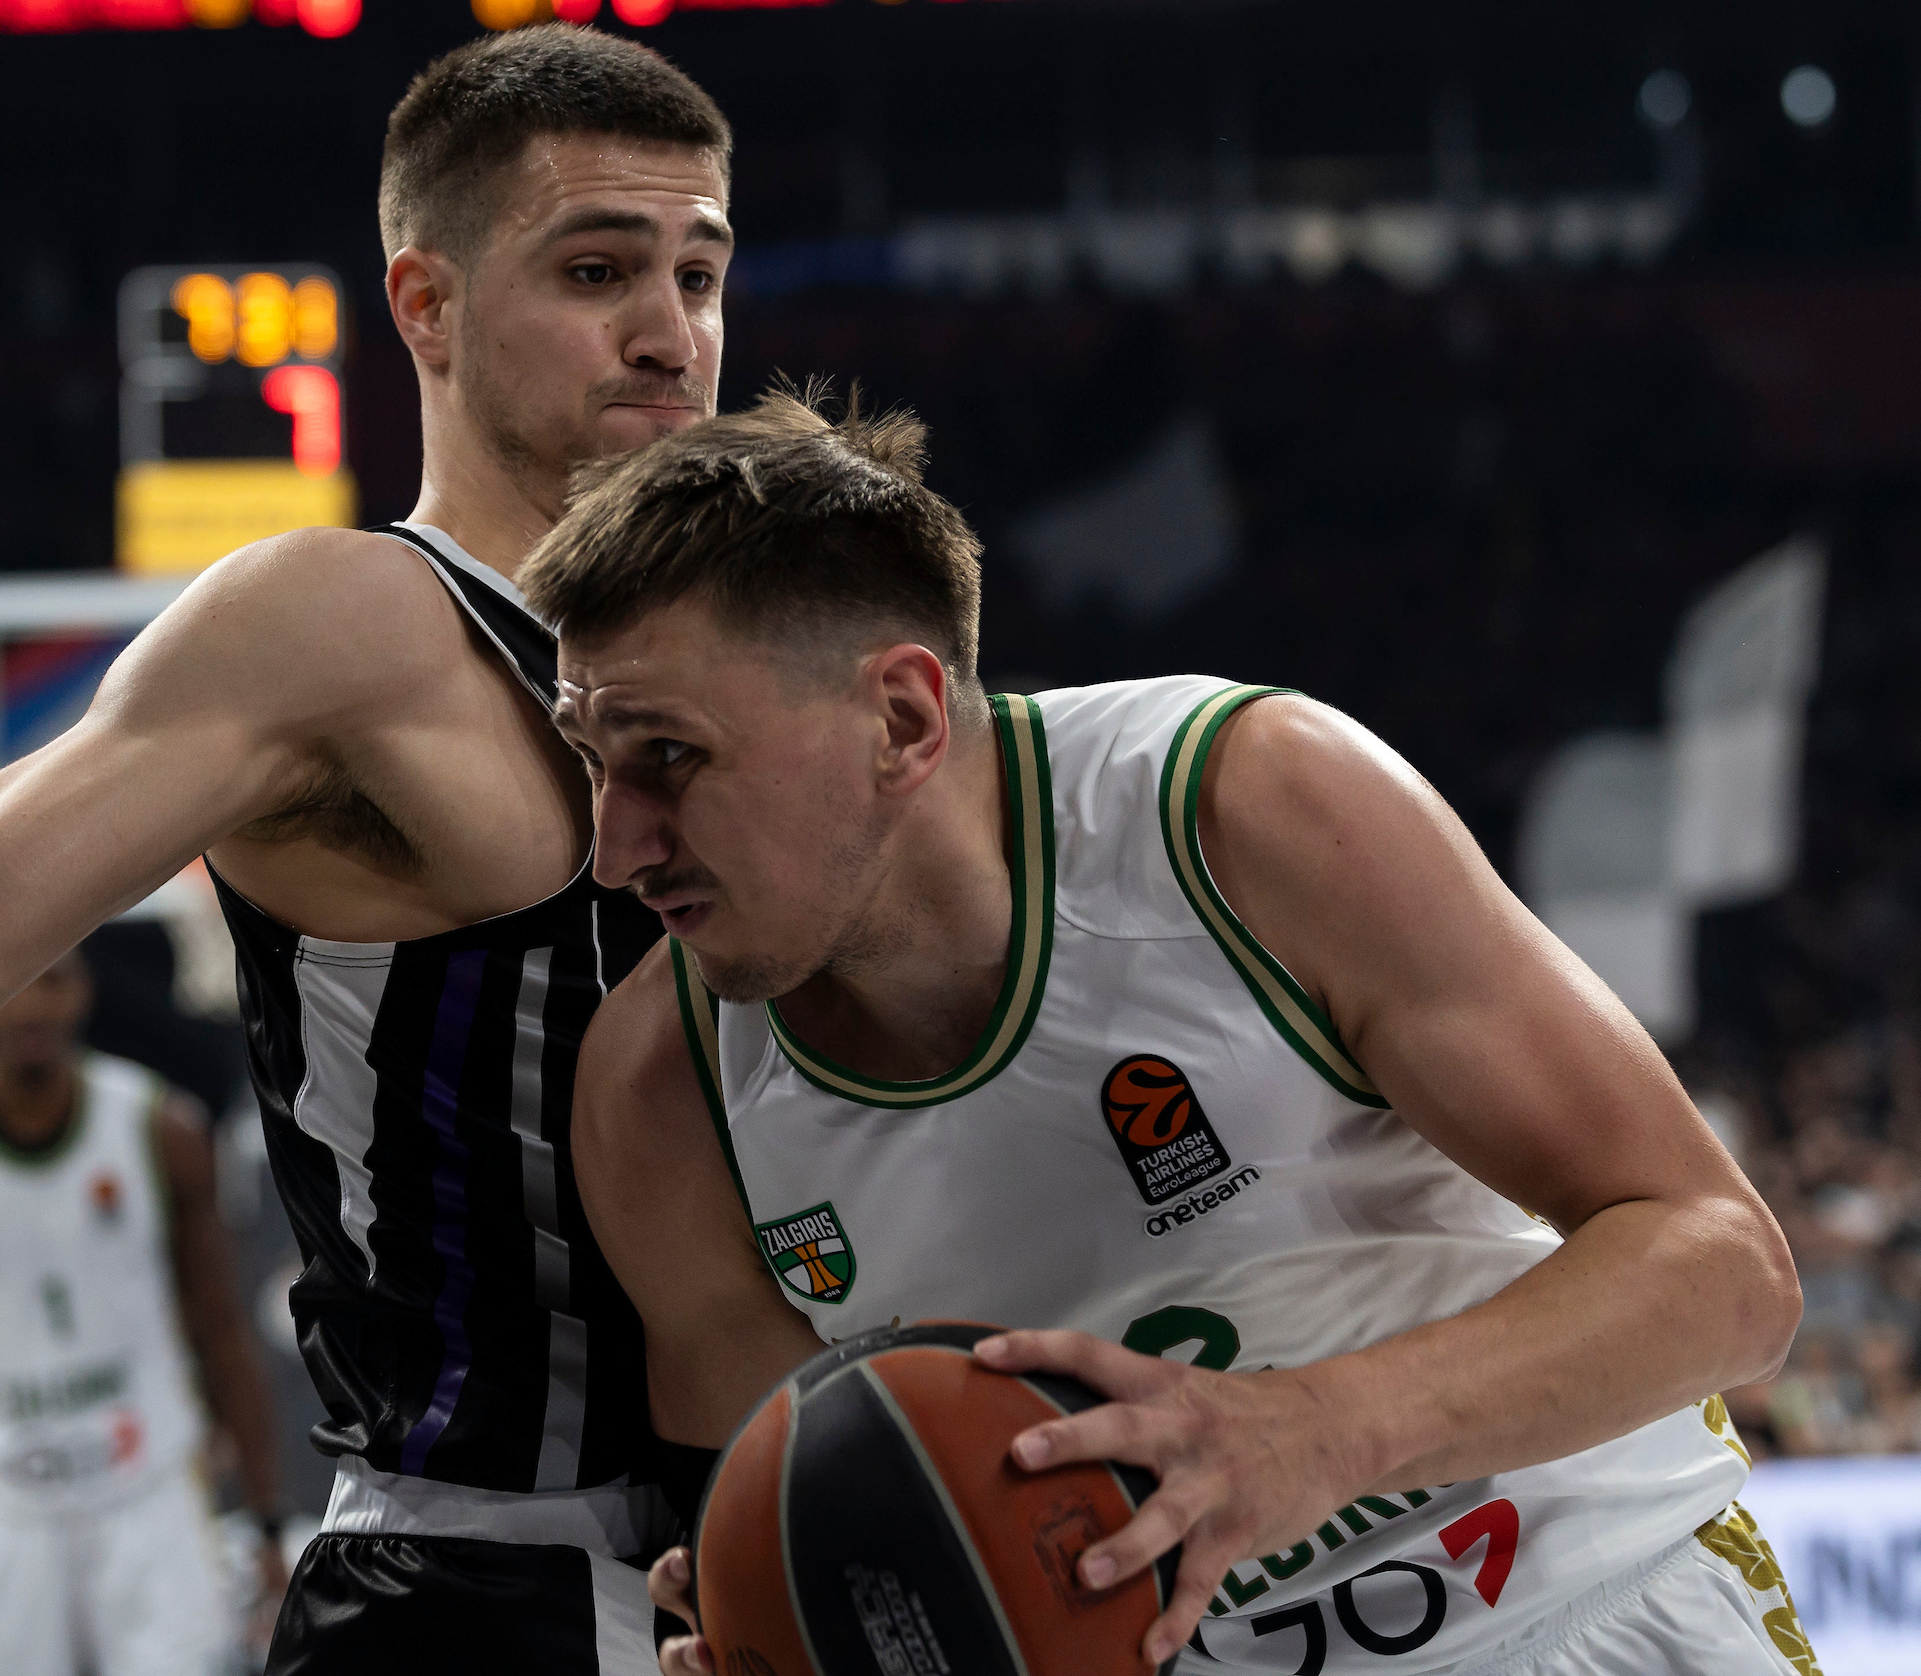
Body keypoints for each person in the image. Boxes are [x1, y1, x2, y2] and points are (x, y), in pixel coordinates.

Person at [0, 24, 733, 1672]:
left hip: (765, 1549)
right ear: (427, 306)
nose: (669, 333)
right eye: (597, 269)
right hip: (483, 1588)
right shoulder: (349, 624)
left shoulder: (745, 645)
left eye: (701, 275)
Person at [519, 390, 1815, 1675]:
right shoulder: (658, 1094)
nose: (615, 847)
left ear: (902, 720)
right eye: (588, 756)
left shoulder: (1247, 806)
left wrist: (1314, 1432)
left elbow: (1726, 1274)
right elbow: (826, 1536)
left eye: (670, 758)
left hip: (1588, 1610)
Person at [0, 949, 286, 1676]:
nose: (33, 1009)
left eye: (53, 981)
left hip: (147, 1492)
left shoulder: (161, 1130)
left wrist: (267, 1522)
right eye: (12, 985)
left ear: (83, 992)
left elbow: (221, 1331)